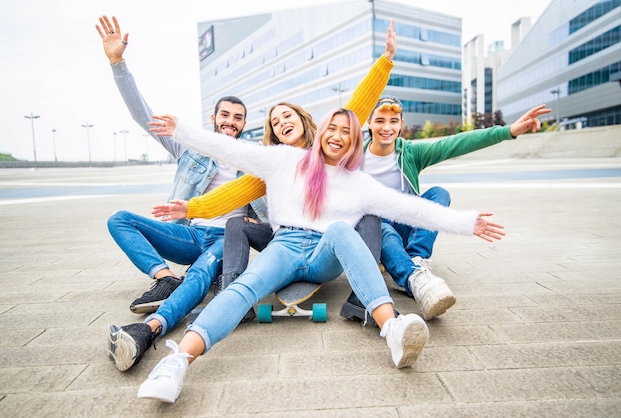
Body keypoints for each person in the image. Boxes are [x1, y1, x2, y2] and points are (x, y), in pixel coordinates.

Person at [134, 107, 505, 403]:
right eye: (333, 128)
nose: (338, 137)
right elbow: (230, 149)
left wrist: (467, 222)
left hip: (326, 252)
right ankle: (177, 361)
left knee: (342, 229)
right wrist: (180, 130)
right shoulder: (284, 161)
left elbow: (412, 209)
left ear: (355, 141)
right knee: (242, 287)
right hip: (285, 244)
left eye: (348, 132)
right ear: (322, 130)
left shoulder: (359, 183)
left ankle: (390, 328)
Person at [157, 20, 397, 326]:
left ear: (302, 118)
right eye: (275, 122)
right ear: (275, 135)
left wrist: (385, 62)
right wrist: (192, 207)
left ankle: (361, 302)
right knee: (236, 224)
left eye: (287, 115)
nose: (281, 122)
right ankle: (231, 298)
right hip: (285, 241)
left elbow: (356, 110)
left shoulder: (326, 150)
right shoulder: (276, 165)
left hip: (325, 242)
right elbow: (234, 193)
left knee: (367, 213)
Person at [96, 15, 267, 372]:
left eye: (238, 118)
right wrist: (118, 64)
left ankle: (154, 326)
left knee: (201, 273)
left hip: (227, 238)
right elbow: (144, 117)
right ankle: (163, 278)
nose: (230, 122)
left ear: (243, 124)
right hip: (189, 233)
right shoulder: (190, 148)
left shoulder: (253, 160)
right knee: (120, 220)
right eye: (225, 115)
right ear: (214, 117)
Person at [339, 98, 552, 322]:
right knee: (378, 220)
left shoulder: (410, 153)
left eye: (393, 121)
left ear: (401, 124)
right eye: (380, 121)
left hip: (404, 226)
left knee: (439, 194)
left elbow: (456, 143)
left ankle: (416, 259)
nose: (386, 128)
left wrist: (508, 131)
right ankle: (414, 279)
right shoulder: (354, 158)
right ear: (369, 123)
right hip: (374, 232)